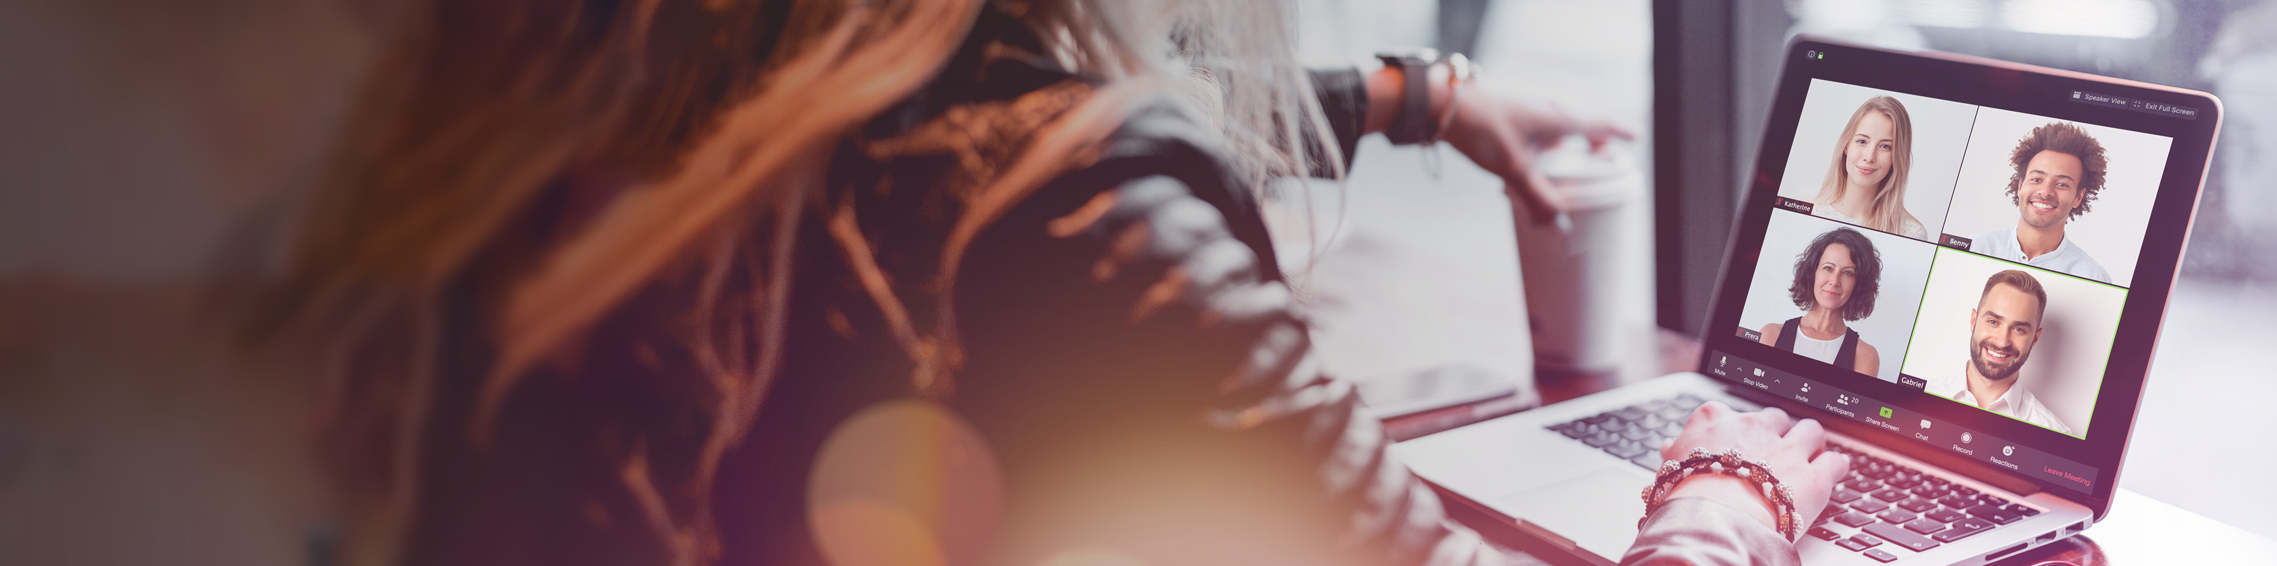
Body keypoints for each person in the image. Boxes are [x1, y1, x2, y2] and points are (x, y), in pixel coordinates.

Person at [248, 1, 1850, 565]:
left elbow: (952, 105)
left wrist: (1406, 96)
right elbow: (1059, 180)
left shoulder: (670, 67)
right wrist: (1720, 494)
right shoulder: (1077, 205)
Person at [1964, 122, 2113, 284]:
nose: (2045, 191)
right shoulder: (1972, 249)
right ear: (2020, 186)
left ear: (2078, 197)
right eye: (2036, 179)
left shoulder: (2093, 277)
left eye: (2062, 184)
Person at [1951, 270, 2074, 435]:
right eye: (1993, 322)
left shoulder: (2054, 434)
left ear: (2035, 338)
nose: (2002, 342)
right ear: (1973, 321)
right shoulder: (1920, 394)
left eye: (2018, 329)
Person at [1758, 228, 1882, 377]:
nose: (1834, 281)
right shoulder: (1770, 335)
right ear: (1813, 273)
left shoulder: (1865, 356)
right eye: (1828, 268)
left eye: (1847, 273)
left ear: (1859, 284)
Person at [1807, 96, 1927, 239]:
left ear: (1897, 157)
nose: (1870, 157)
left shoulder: (1911, 233)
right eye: (1862, 141)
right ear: (1846, 146)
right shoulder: (1807, 213)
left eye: (1885, 146)